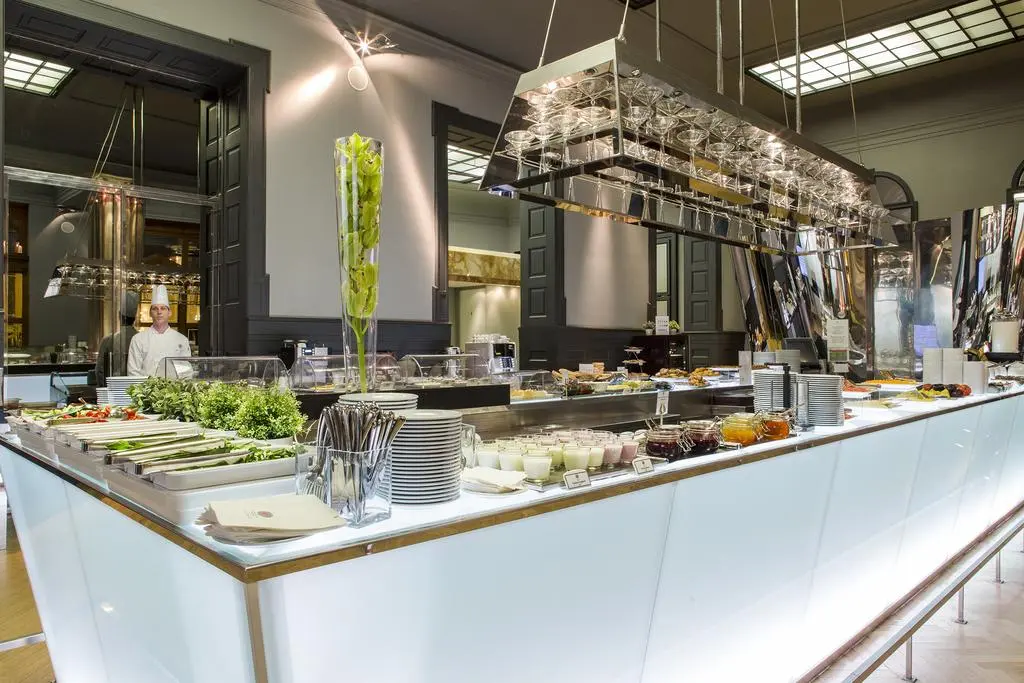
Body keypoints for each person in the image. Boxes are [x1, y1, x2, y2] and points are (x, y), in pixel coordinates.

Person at [127, 284, 191, 377]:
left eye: (163, 308)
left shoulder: (181, 339)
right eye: (155, 309)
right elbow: (133, 372)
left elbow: (186, 372)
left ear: (169, 313)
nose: (159, 312)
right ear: (150, 313)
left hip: (174, 386)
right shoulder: (138, 339)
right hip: (145, 386)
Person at [96, 291, 140, 386]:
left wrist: (104, 389)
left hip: (113, 389)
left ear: (119, 316)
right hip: (136, 389)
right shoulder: (142, 340)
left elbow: (99, 371)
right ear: (135, 318)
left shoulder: (108, 340)